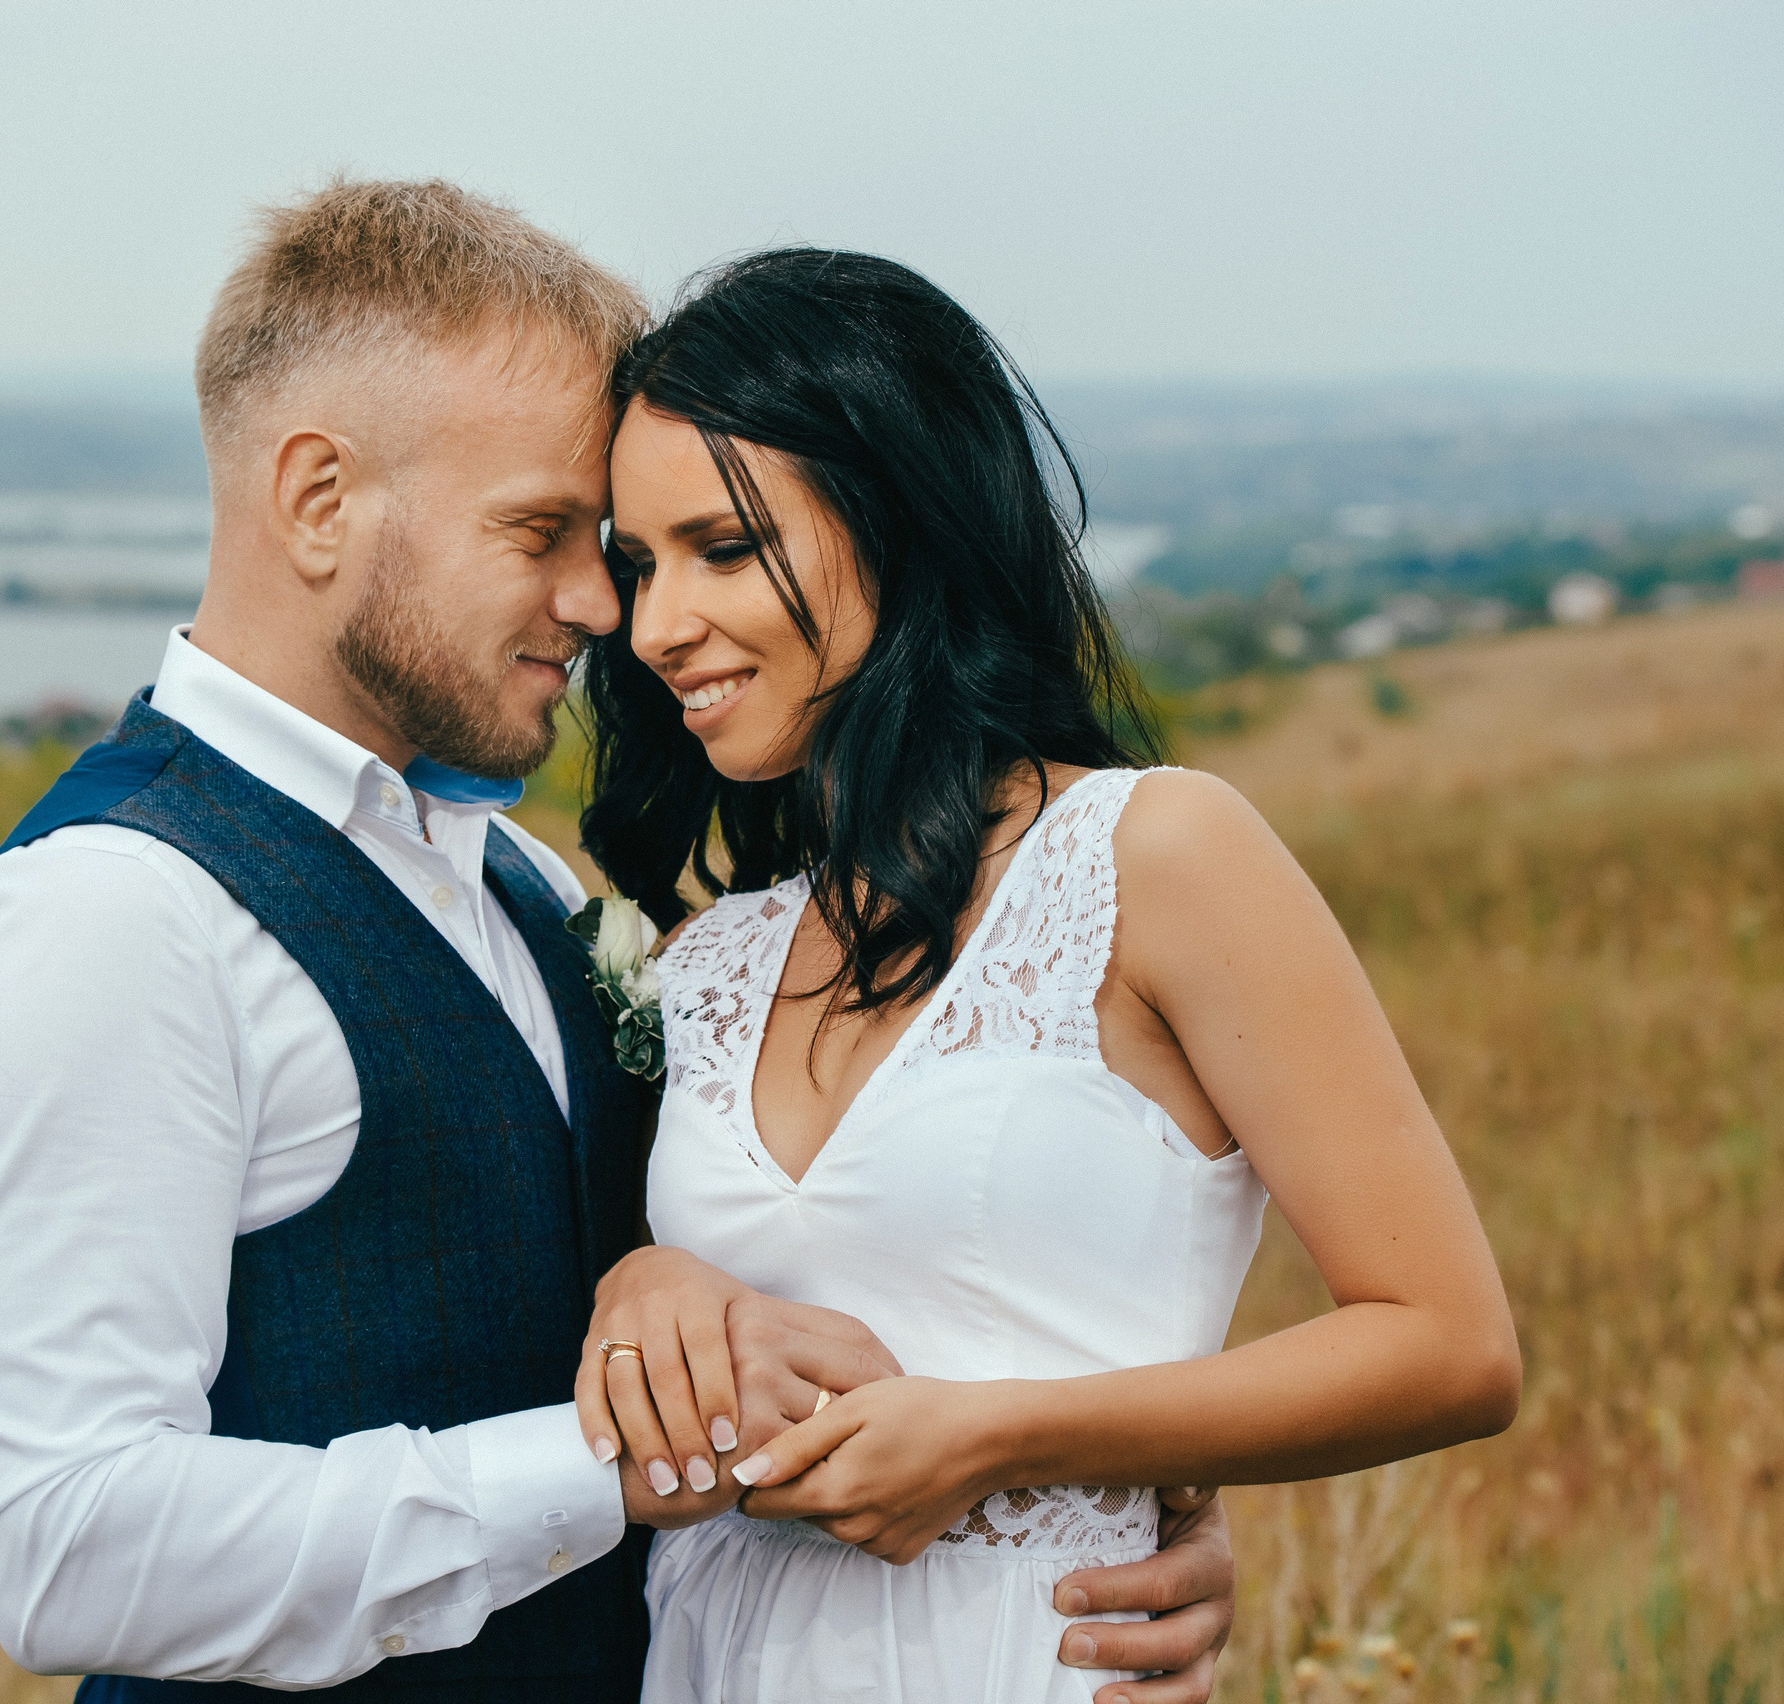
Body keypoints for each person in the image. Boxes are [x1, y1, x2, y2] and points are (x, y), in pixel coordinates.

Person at [0, 182, 1237, 1701]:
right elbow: (67, 1548)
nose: (607, 606)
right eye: (540, 532)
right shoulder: (102, 924)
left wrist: (1083, 1513)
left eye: (611, 546)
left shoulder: (520, 884)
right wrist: (608, 1466)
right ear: (319, 499)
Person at [576, 248, 1522, 1702]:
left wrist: (1001, 1437)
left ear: (899, 519)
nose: (656, 628)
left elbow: (1447, 1347)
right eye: (636, 566)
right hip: (714, 1655)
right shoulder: (707, 959)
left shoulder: (1159, 854)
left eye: (722, 548)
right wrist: (643, 1283)